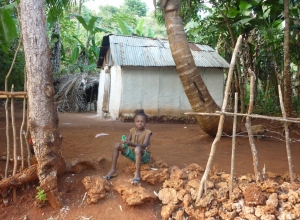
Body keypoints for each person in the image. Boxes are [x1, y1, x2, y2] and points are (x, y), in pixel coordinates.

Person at [103, 109, 152, 185]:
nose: (140, 123)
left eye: (142, 121)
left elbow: (144, 145)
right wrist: (125, 142)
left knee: (138, 148)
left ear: (146, 122)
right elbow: (128, 141)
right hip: (134, 154)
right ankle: (113, 170)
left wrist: (131, 143)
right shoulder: (132, 130)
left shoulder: (148, 132)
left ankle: (137, 174)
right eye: (137, 121)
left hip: (144, 157)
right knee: (117, 145)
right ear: (134, 122)